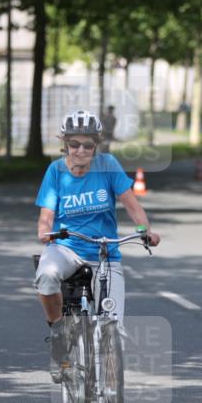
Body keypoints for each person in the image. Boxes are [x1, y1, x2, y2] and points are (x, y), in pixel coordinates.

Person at [33, 109, 160, 366]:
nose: (81, 150)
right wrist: (44, 232)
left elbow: (132, 206)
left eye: (88, 145)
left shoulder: (108, 166)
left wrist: (144, 230)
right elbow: (46, 215)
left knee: (113, 328)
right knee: (46, 275)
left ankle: (110, 392)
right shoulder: (56, 172)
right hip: (67, 248)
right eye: (74, 144)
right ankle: (58, 332)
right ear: (65, 144)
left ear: (96, 146)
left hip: (105, 253)